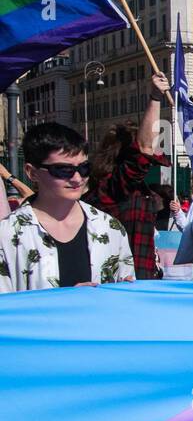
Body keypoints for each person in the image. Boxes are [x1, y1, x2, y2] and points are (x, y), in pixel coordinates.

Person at [0, 122, 134, 292]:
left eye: (84, 168)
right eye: (63, 170)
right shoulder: (7, 234)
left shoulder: (110, 228)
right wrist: (67, 300)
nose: (77, 179)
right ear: (32, 172)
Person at [86, 72, 172, 280]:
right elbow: (143, 149)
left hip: (141, 275)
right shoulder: (115, 185)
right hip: (124, 282)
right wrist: (155, 98)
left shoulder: (129, 186)